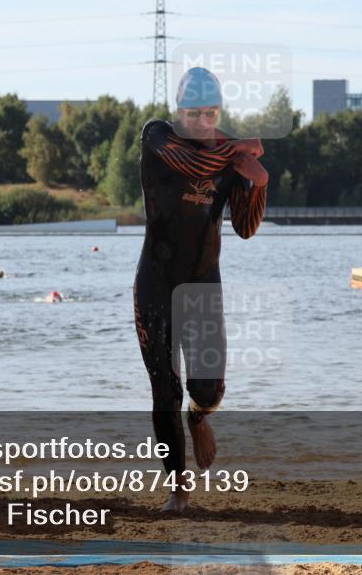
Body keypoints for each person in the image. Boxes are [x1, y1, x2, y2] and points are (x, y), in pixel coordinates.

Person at [133, 67, 267, 512]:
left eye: (211, 113)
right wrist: (237, 149)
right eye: (195, 113)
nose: (203, 122)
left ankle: (200, 419)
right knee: (164, 389)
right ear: (179, 111)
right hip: (156, 280)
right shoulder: (158, 137)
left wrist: (257, 184)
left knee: (208, 390)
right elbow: (193, 164)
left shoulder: (227, 155)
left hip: (203, 281)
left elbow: (246, 228)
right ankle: (179, 490)